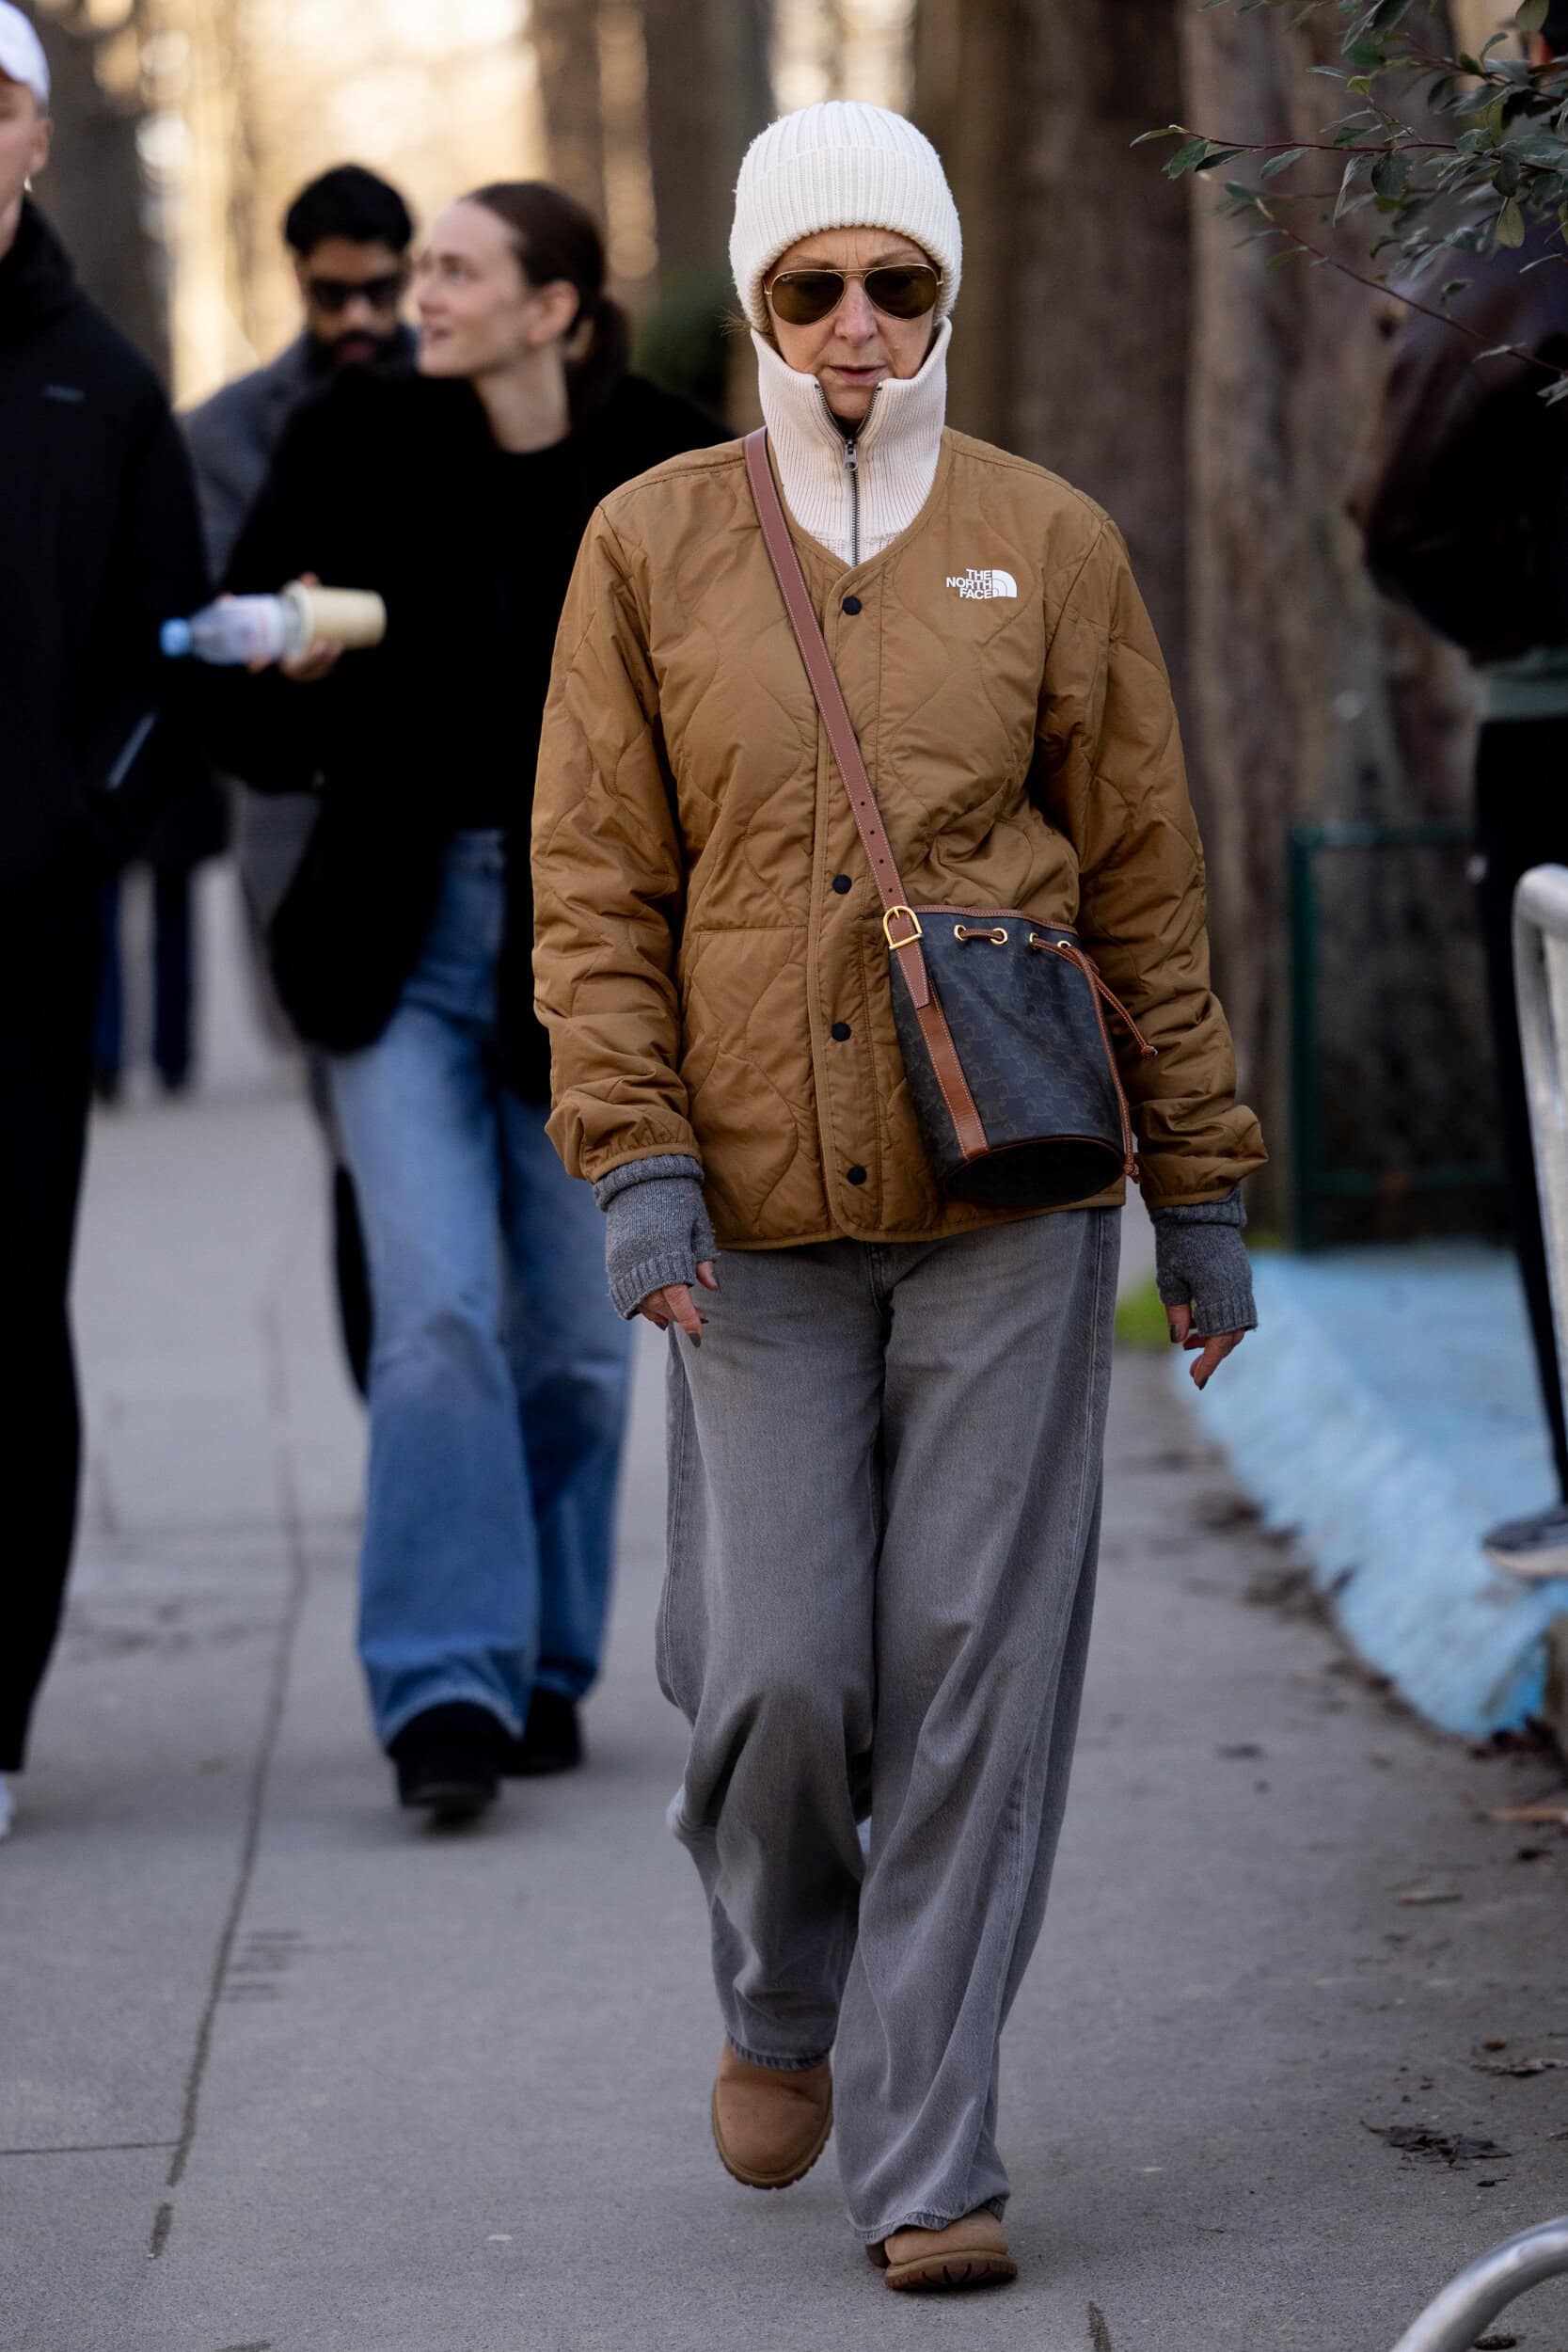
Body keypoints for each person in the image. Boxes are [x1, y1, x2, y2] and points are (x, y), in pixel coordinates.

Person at [532, 101, 1265, 2288]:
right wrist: (636, 1153)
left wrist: (1203, 1188)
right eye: (812, 287)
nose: (859, 326)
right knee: (768, 1670)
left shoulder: (1051, 540)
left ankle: (932, 2144)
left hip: (1008, 1196)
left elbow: (1145, 876)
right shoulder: (650, 542)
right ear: (761, 302)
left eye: (900, 284)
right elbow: (595, 883)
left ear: (948, 296)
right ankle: (782, 1986)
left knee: (975, 1667)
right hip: (744, 1209)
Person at [214, 182, 726, 1819]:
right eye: (421, 265)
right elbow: (243, 719)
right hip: (395, 940)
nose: (414, 296)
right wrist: (279, 675)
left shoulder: (673, 460)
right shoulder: (347, 436)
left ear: (555, 306)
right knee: (437, 1315)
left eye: (456, 270)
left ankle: (546, 1659)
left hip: (590, 954)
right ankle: (443, 1682)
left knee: (576, 1349)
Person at [0, 4, 207, 1836]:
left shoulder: (100, 385)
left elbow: (167, 661)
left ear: (33, 133)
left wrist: (79, 826)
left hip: (25, 946)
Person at [1353, 3, 1568, 1581]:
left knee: (1557, 1100)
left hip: (1552, 734)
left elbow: (1405, 509)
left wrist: (1530, 637)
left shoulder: (1519, 247)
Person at [182, 163, 418, 1389]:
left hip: (467, 826)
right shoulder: (225, 436)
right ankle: (402, 1422)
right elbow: (218, 631)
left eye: (385, 289)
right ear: (298, 283)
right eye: (336, 296)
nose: (362, 322)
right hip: (310, 842)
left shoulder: (468, 397)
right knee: (361, 1141)